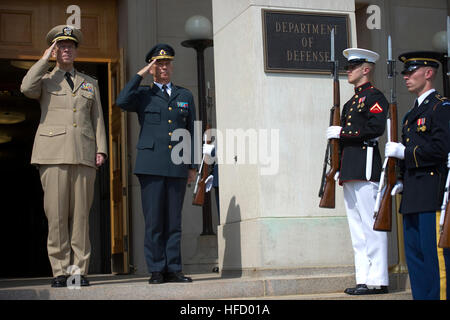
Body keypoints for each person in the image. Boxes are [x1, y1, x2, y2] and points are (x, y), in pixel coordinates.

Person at [20, 25, 108, 287]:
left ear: (76, 51)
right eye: (61, 46)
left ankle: (79, 270)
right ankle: (60, 270)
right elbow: (26, 87)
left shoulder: (90, 84)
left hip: (83, 155)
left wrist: (101, 149)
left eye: (70, 46)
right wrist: (43, 59)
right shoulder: (45, 80)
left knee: (81, 217)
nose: (66, 50)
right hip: (52, 155)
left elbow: (98, 118)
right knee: (56, 217)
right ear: (55, 50)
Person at [116, 44, 196, 284]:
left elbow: (193, 128)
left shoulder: (185, 95)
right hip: (150, 166)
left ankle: (174, 268)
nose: (164, 68)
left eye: (167, 63)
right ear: (152, 68)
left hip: (177, 165)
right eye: (158, 64)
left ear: (172, 66)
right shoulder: (142, 95)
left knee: (174, 221)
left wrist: (192, 166)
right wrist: (140, 74)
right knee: (154, 222)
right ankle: (157, 270)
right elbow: (121, 101)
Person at [385, 51, 450, 300]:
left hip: (432, 193)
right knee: (416, 260)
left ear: (429, 73)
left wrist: (406, 152)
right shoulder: (410, 114)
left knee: (435, 260)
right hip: (413, 194)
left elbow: (441, 148)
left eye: (412, 72)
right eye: (405, 73)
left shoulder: (441, 107)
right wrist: (400, 178)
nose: (406, 77)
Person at [326, 48, 389, 295]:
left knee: (371, 226)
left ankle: (378, 279)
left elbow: (375, 128)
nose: (348, 71)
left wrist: (342, 132)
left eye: (353, 67)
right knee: (357, 229)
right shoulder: (352, 102)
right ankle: (363, 277)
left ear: (367, 69)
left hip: (365, 165)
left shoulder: (375, 97)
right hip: (350, 168)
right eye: (348, 67)